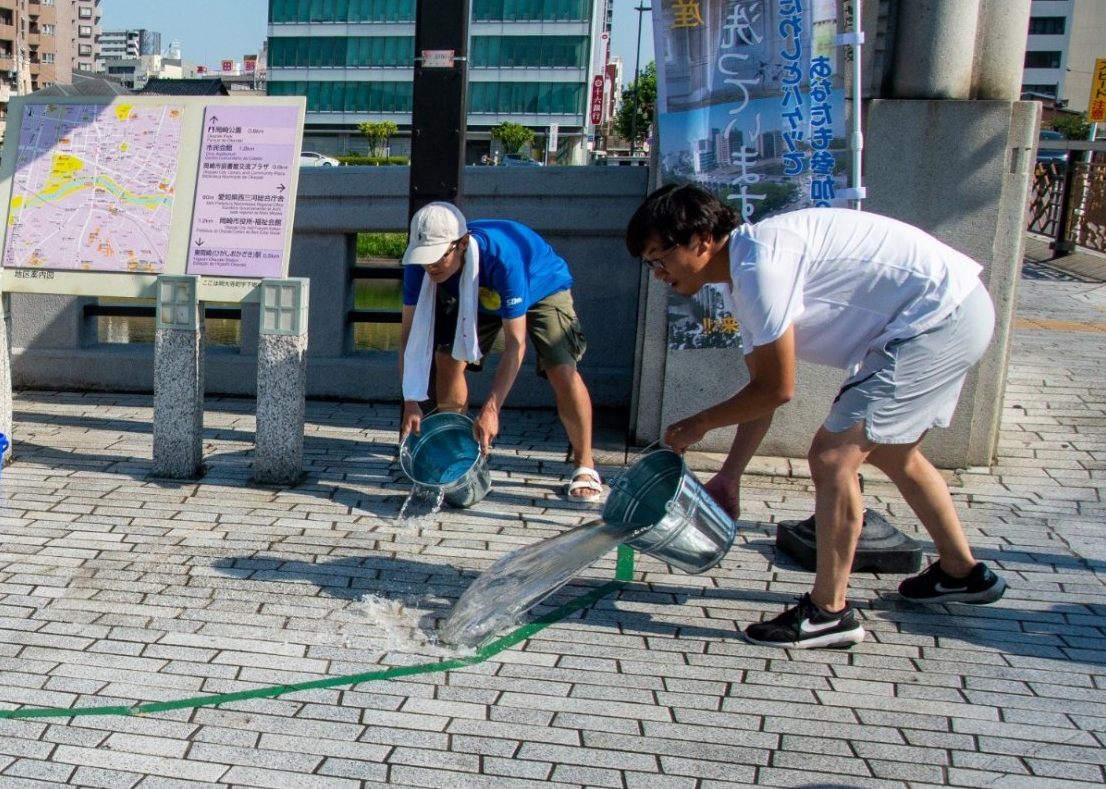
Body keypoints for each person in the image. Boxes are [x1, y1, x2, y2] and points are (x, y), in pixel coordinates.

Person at [626, 183, 1005, 650]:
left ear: (701, 239)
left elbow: (778, 388)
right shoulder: (739, 276)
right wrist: (730, 475)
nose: (658, 274)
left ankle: (829, 612)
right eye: (650, 264)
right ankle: (961, 572)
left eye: (659, 258)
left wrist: (700, 423)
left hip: (938, 318)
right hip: (950, 312)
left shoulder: (761, 265)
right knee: (894, 453)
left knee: (833, 457)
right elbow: (762, 392)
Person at [398, 201, 605, 503]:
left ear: (462, 244)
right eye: (424, 258)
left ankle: (585, 464)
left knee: (560, 368)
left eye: (438, 256)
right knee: (447, 359)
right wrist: (411, 401)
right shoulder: (421, 268)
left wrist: (492, 409)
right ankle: (458, 454)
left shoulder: (503, 258)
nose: (430, 267)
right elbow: (407, 337)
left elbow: (516, 344)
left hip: (541, 286)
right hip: (477, 294)